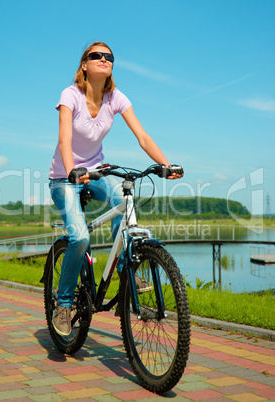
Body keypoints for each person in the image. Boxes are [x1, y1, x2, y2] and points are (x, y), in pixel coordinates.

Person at [49, 41, 183, 337]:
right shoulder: (69, 95)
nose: (103, 59)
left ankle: (127, 275)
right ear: (84, 64)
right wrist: (72, 171)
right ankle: (64, 302)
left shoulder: (116, 97)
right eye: (96, 55)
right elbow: (64, 140)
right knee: (80, 237)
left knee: (124, 200)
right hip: (64, 176)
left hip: (97, 172)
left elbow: (142, 135)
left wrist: (165, 164)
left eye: (108, 56)